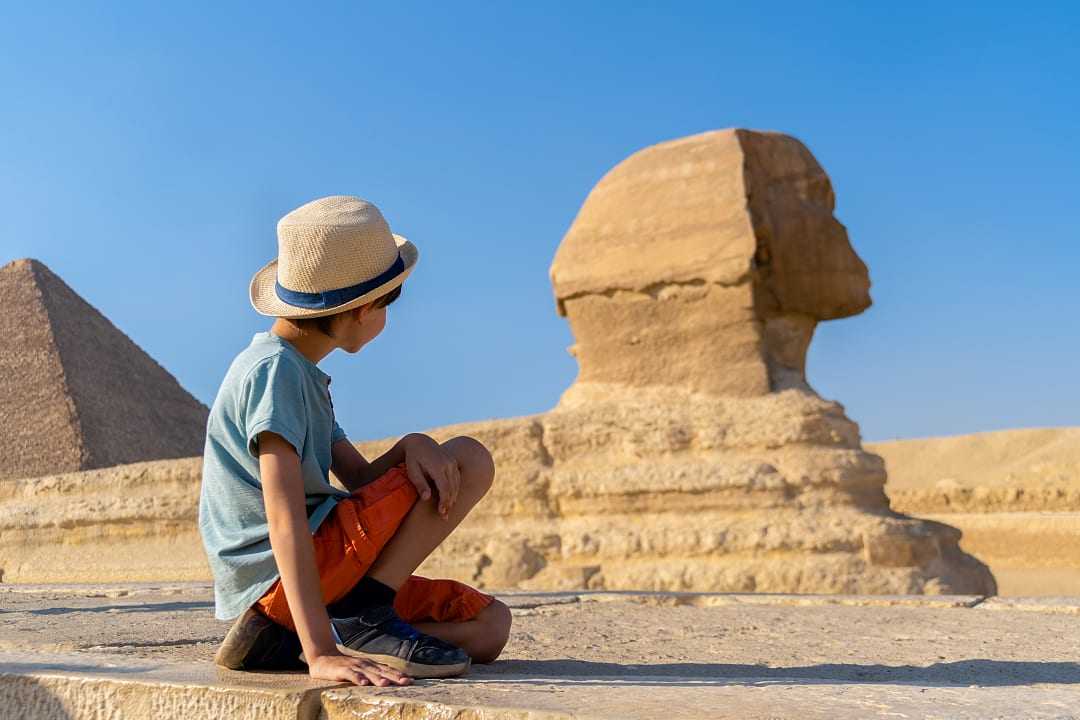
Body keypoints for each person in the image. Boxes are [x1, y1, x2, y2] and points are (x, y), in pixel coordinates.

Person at [197, 195, 511, 688]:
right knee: (470, 458)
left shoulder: (301, 374)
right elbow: (284, 518)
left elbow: (363, 479)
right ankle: (352, 620)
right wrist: (321, 654)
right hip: (285, 576)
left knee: (490, 628)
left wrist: (412, 444)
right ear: (364, 309)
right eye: (390, 303)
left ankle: (311, 633)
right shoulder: (274, 373)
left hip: (325, 577)